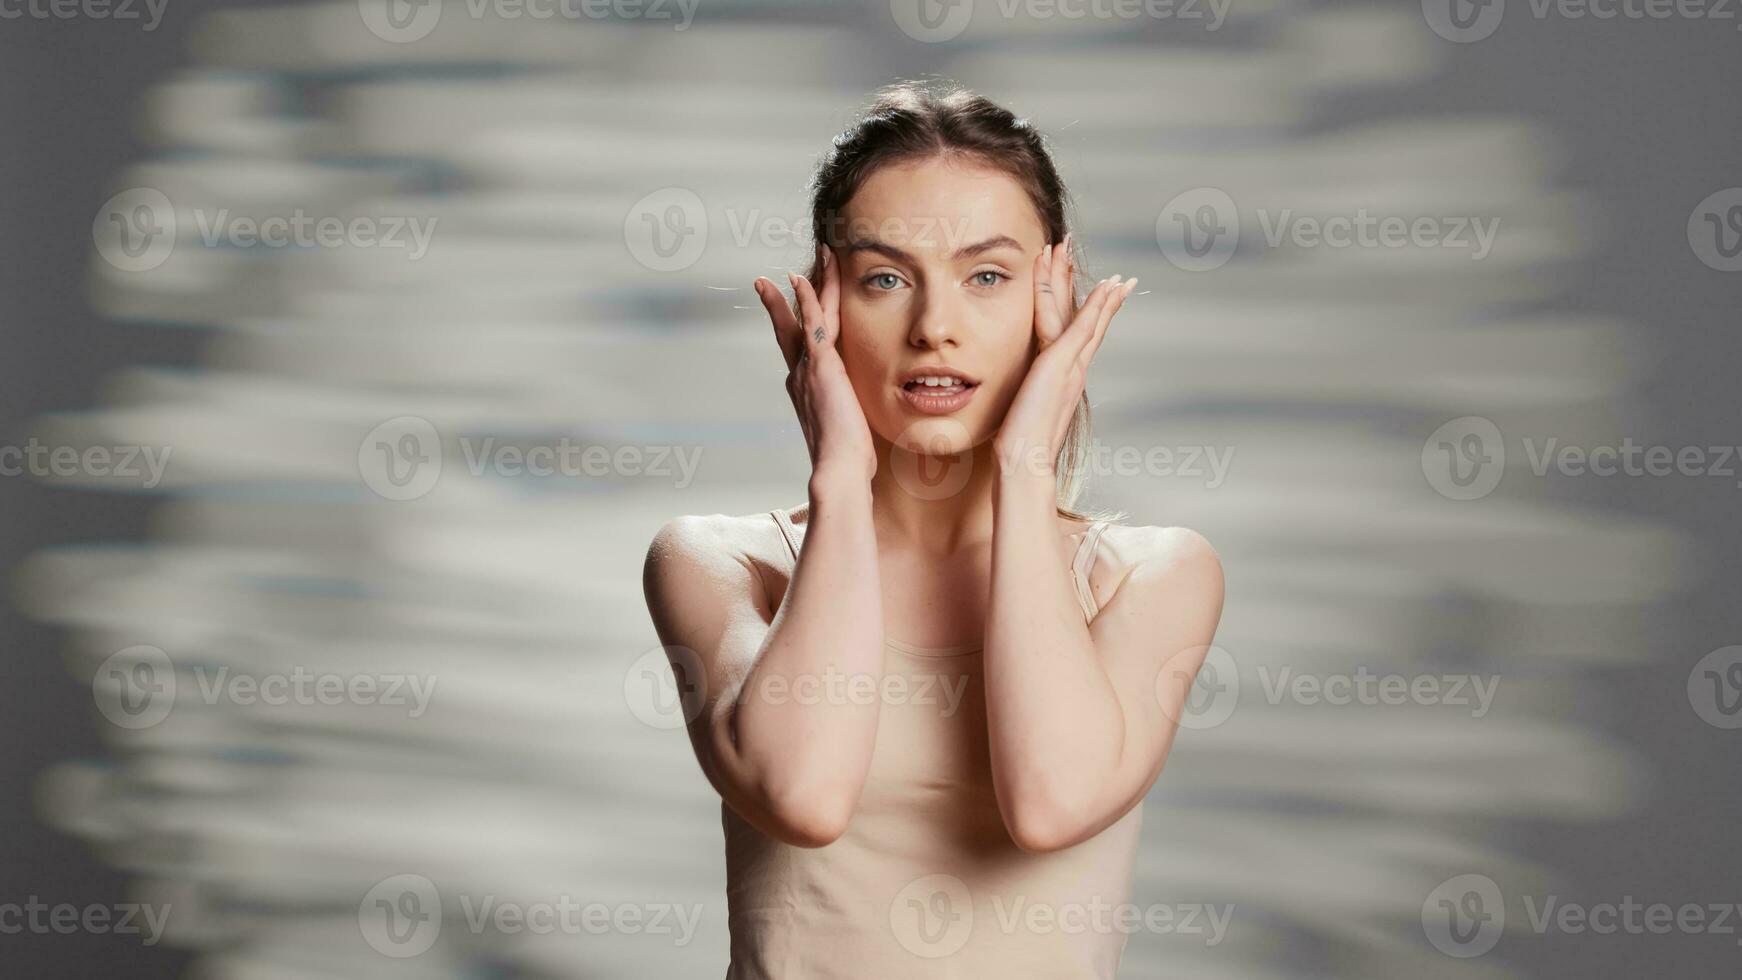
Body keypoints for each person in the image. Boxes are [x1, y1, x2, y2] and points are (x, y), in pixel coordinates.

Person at [642, 80, 1225, 979]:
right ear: (825, 302)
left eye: (987, 276)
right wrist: (839, 483)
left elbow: (1050, 803)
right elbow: (803, 795)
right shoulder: (724, 563)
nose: (935, 329)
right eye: (886, 279)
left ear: (1054, 295)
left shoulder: (1152, 577)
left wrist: (1029, 467)